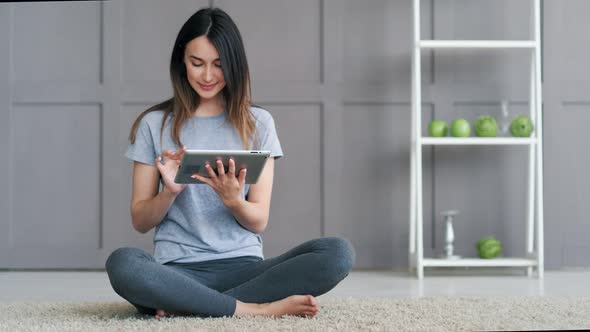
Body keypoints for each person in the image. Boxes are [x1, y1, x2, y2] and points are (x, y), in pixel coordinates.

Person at [105, 7, 355, 319]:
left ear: (234, 66)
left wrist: (234, 200)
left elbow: (258, 220)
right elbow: (140, 220)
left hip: (246, 270)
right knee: (123, 263)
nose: (207, 76)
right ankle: (253, 310)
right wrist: (168, 192)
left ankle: (189, 305)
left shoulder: (258, 123)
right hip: (176, 273)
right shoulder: (154, 125)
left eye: (219, 65)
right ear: (182, 60)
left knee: (337, 253)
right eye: (197, 63)